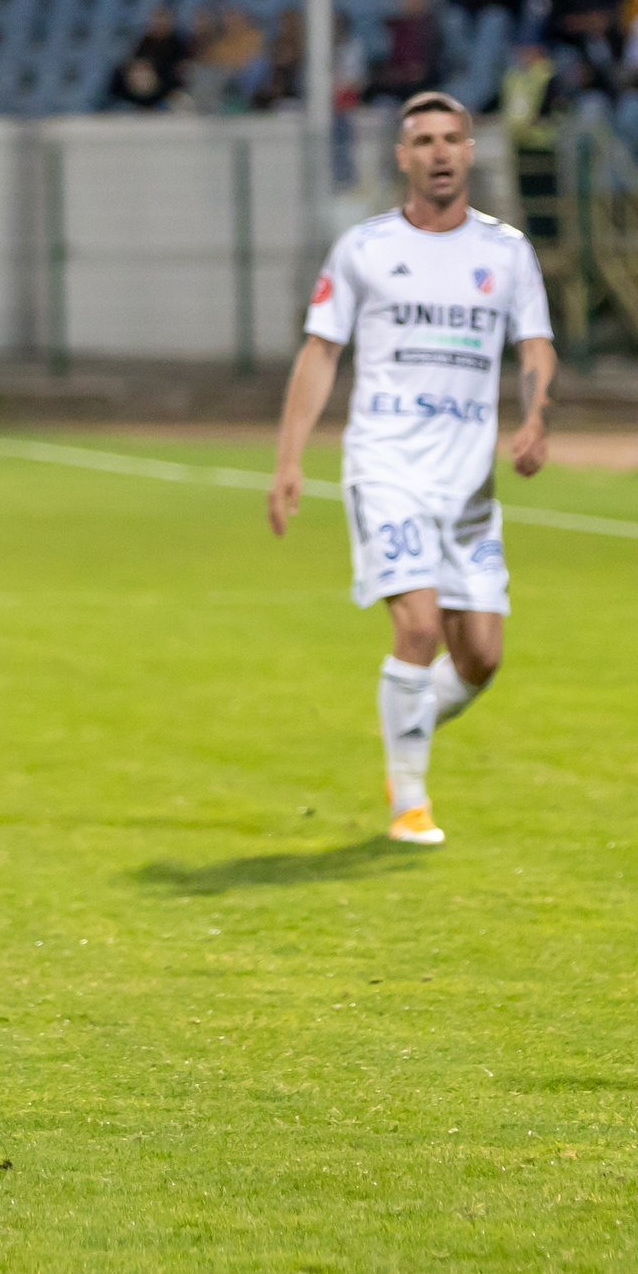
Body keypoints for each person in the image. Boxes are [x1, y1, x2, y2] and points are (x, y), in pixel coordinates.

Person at [266, 93, 556, 845]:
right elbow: (321, 349)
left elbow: (535, 344)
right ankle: (410, 801)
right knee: (419, 627)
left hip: (469, 482)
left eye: (451, 139)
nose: (438, 152)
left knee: (482, 657)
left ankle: (408, 723)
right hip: (386, 462)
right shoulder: (363, 249)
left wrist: (534, 418)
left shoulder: (506, 252)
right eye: (423, 140)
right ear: (403, 156)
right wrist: (289, 458)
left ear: (469, 152)